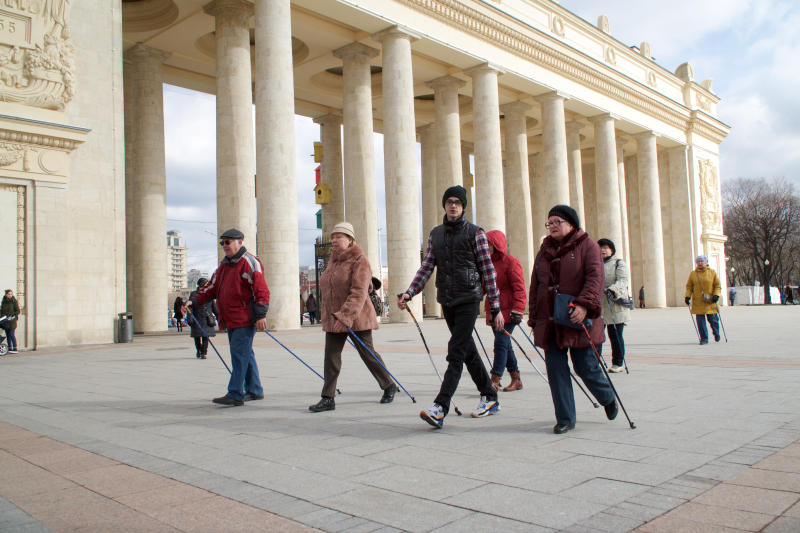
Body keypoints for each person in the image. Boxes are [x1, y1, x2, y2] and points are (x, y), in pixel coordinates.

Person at [398, 185, 503, 428]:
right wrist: (410, 292)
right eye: (449, 202)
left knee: (455, 352)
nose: (453, 205)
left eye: (457, 202)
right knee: (467, 351)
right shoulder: (436, 234)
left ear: (464, 206)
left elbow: (488, 272)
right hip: (447, 300)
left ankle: (440, 406)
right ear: (444, 206)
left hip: (468, 299)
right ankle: (489, 396)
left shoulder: (476, 233)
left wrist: (495, 306)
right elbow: (427, 267)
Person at [528, 205, 618, 434]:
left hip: (578, 318)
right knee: (556, 370)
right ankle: (565, 418)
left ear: (571, 223)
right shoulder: (544, 250)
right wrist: (534, 317)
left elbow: (595, 278)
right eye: (550, 223)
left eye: (557, 221)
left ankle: (607, 396)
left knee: (585, 366)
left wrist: (584, 305)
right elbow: (536, 285)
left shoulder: (588, 246)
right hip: (551, 320)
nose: (553, 226)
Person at [308, 222, 397, 412]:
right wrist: (332, 315)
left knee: (368, 354)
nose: (334, 240)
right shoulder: (332, 261)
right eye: (332, 237)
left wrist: (345, 316)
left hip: (356, 317)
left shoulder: (359, 260)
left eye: (339, 236)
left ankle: (388, 385)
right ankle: (327, 398)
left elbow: (359, 291)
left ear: (349, 239)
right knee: (331, 358)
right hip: (335, 318)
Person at [186, 228, 269, 406]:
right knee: (246, 353)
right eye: (222, 242)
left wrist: (261, 315)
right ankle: (254, 389)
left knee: (239, 354)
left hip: (244, 318)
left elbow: (261, 290)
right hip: (231, 318)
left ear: (240, 242)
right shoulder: (224, 266)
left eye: (228, 242)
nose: (224, 245)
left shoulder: (250, 262)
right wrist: (194, 301)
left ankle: (235, 393)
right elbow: (211, 287)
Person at [484, 230, 526, 392]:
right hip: (494, 310)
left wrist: (518, 309)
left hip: (508, 312)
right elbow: (483, 287)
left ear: (496, 244)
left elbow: (520, 288)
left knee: (501, 343)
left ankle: (495, 379)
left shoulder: (511, 262)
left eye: (489, 244)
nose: (486, 247)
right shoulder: (487, 263)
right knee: (505, 344)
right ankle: (516, 379)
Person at [597, 238, 630, 373]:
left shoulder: (619, 263)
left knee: (615, 334)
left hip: (614, 305)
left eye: (606, 247)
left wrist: (612, 290)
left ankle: (618, 363)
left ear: (611, 250)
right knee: (597, 335)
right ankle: (594, 362)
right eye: (600, 248)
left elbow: (623, 281)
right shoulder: (595, 264)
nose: (603, 250)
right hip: (599, 306)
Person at [685, 255, 721, 345]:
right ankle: (704, 338)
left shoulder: (712, 272)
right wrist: (687, 296)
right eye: (698, 262)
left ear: (706, 262)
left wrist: (716, 295)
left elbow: (717, 285)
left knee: (713, 320)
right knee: (700, 322)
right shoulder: (693, 274)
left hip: (710, 300)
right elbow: (689, 286)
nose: (700, 263)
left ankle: (716, 333)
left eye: (702, 261)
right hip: (698, 301)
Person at [188, 277, 217, 359]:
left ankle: (203, 352)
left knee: (205, 337)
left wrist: (219, 315)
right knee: (197, 337)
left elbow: (213, 306)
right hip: (197, 318)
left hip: (206, 318)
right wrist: (190, 318)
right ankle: (199, 351)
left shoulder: (209, 293)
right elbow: (190, 307)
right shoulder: (194, 294)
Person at [1, 289, 20, 354]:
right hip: (6, 321)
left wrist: (13, 316)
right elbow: (2, 311)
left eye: (11, 294)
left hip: (12, 321)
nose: (10, 295)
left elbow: (18, 311)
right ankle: (10, 348)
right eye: (9, 294)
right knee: (8, 335)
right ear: (6, 294)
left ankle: (15, 348)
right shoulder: (3, 301)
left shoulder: (14, 301)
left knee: (12, 334)